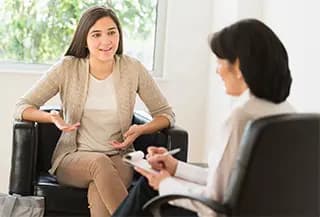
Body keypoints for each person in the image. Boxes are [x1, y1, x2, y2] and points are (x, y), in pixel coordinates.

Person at [112, 18, 295, 217]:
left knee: (147, 188)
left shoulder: (242, 117)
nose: (218, 70)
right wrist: (175, 168)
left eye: (220, 61)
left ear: (239, 66)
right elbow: (228, 184)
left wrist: (165, 183)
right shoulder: (286, 112)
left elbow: (213, 204)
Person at [13, 6, 175, 217]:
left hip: (118, 157)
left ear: (119, 35)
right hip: (74, 157)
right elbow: (22, 107)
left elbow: (166, 114)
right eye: (96, 34)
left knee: (99, 189)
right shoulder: (67, 68)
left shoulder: (132, 69)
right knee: (99, 163)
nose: (106, 41)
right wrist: (51, 117)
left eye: (111, 32)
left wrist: (141, 129)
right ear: (85, 39)